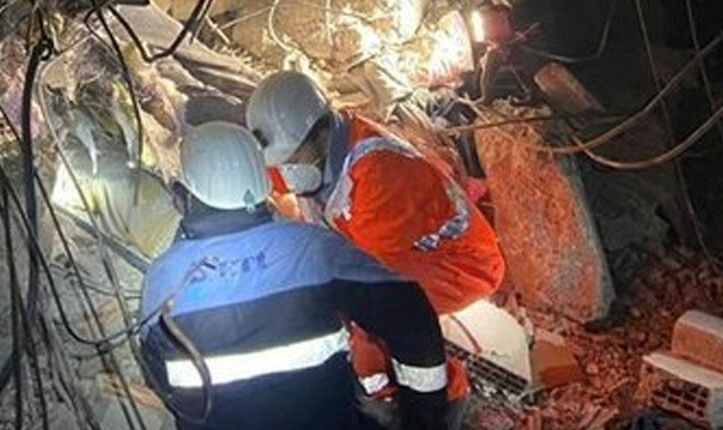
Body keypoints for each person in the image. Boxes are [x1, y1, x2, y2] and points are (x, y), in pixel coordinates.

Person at [138, 121, 449, 430]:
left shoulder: (160, 281)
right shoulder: (313, 250)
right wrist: (423, 417)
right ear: (263, 184)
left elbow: (164, 382)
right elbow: (411, 316)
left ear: (182, 196)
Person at [246, 71, 508, 418]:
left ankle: (446, 397)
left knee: (375, 323)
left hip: (461, 263)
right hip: (390, 248)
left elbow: (374, 288)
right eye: (282, 162)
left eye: (293, 158)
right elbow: (269, 182)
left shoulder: (379, 176)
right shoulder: (311, 150)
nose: (288, 172)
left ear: (323, 129)